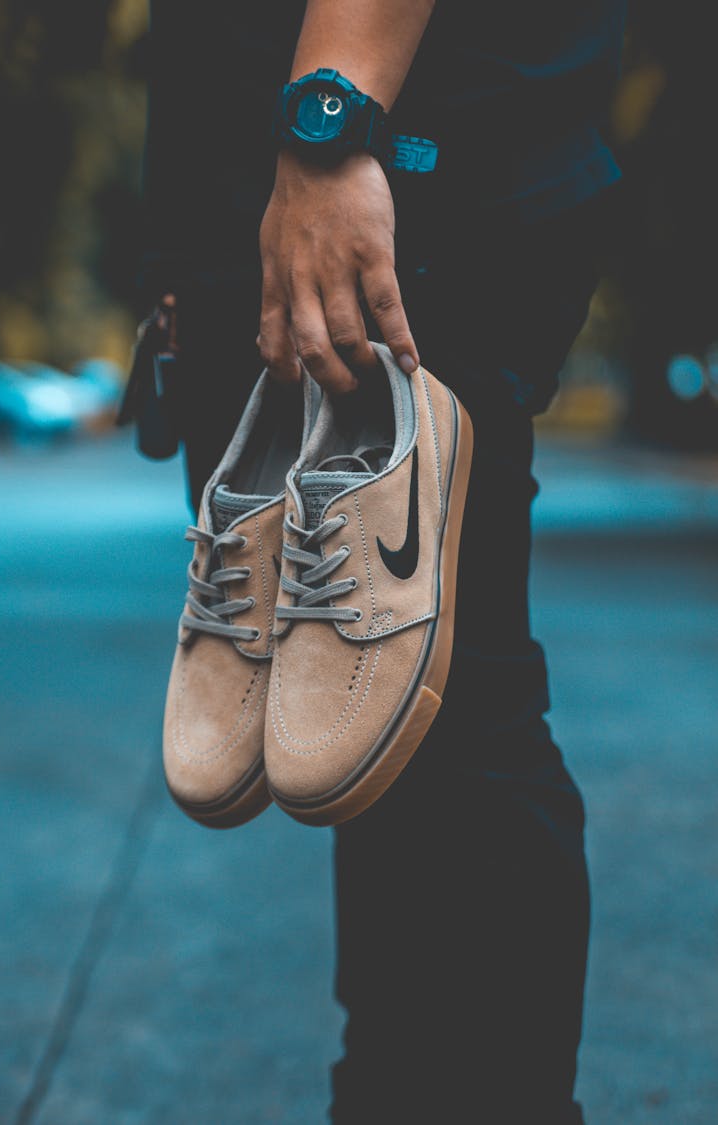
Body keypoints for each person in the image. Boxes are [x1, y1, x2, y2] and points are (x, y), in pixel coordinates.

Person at [138, 2, 627, 1120]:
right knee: (364, 751)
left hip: (390, 149)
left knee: (453, 725)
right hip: (266, 170)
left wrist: (334, 118)